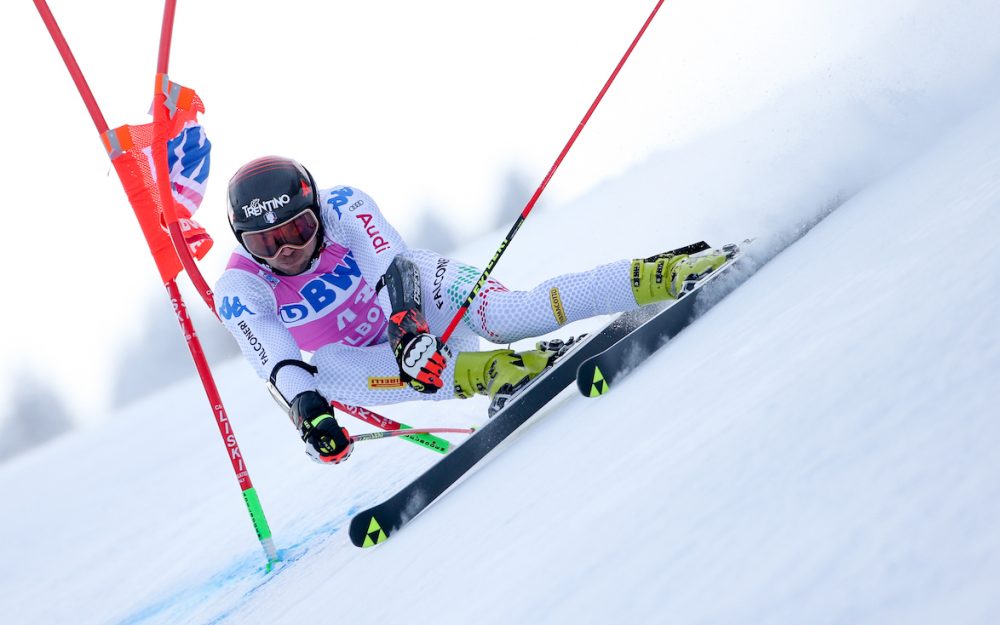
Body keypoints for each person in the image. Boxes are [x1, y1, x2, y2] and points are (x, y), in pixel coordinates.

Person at [215, 156, 731, 464]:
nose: (288, 250)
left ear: (316, 212)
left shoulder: (344, 206)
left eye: (299, 230)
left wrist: (409, 330)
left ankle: (664, 275)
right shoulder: (240, 287)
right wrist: (312, 419)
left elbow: (394, 267)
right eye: (267, 242)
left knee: (511, 316)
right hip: (391, 365)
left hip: (421, 302)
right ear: (244, 243)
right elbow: (280, 366)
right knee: (324, 374)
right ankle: (505, 372)